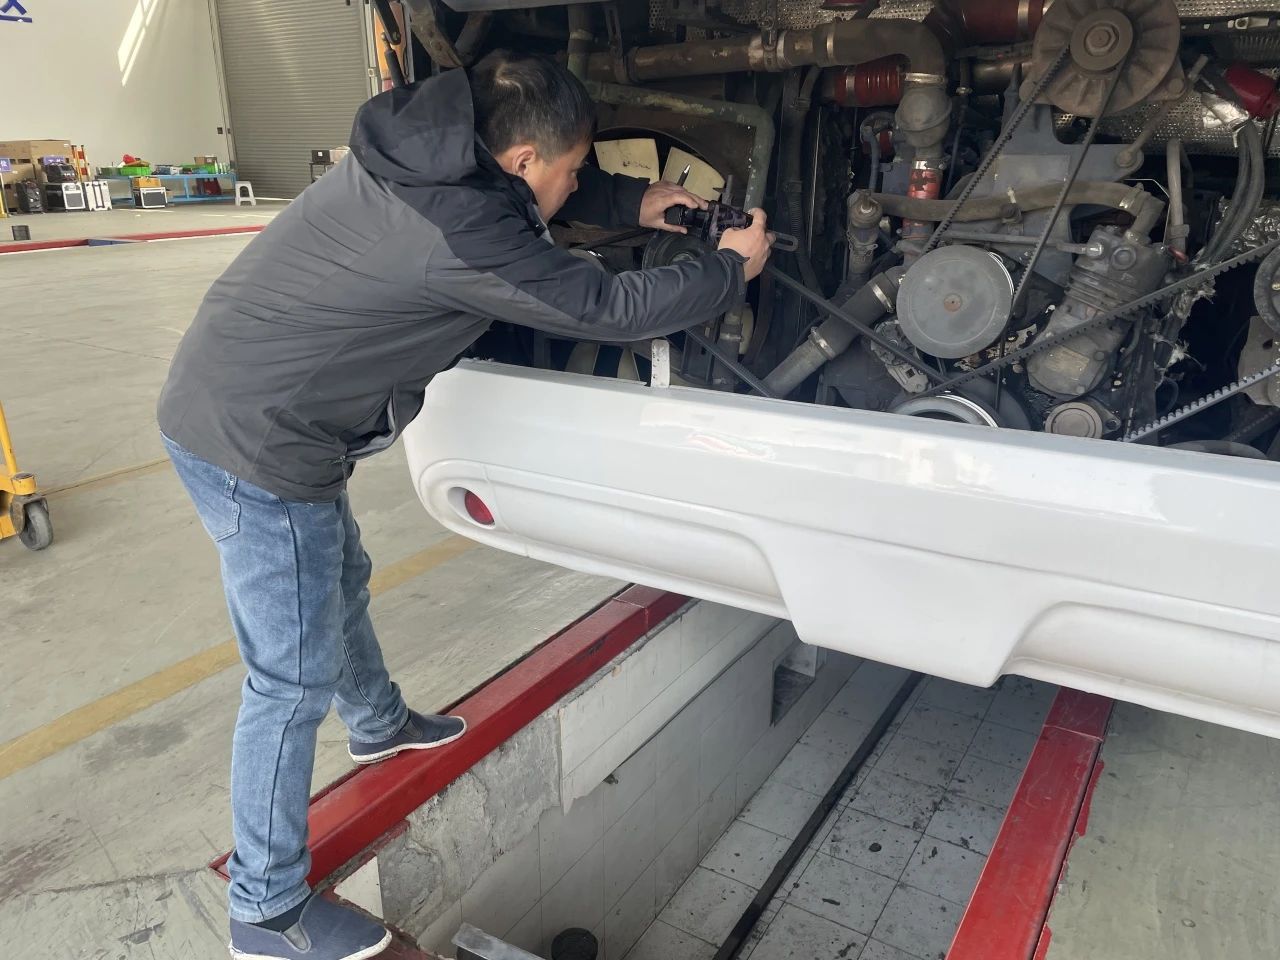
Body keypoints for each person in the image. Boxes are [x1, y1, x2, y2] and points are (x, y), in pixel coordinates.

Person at [158, 50, 771, 960]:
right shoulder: (459, 236)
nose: (578, 182)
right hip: (257, 443)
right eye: (575, 169)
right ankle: (267, 909)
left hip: (253, 406)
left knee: (338, 575)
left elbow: (523, 202)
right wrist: (725, 270)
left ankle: (377, 725)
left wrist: (637, 201)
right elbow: (604, 306)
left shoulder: (430, 152)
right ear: (523, 159)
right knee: (288, 680)